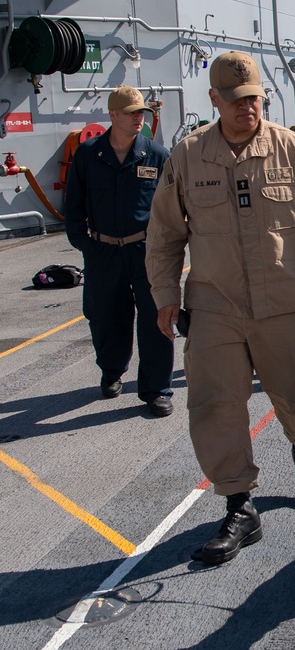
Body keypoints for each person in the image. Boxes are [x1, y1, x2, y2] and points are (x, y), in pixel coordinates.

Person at [145, 52, 295, 565]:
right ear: (215, 100)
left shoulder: (294, 151)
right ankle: (240, 504)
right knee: (214, 405)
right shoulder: (187, 158)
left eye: (256, 98)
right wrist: (166, 295)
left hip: (286, 305)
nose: (249, 108)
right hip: (215, 306)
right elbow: (166, 234)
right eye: (237, 100)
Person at [63, 85, 174, 415]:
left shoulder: (157, 155)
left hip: (146, 250)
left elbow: (171, 207)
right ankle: (111, 372)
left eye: (142, 112)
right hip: (103, 251)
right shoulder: (88, 154)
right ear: (113, 115)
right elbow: (73, 205)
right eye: (131, 113)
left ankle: (156, 389)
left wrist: (167, 248)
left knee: (157, 318)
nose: (139, 118)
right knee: (106, 316)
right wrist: (85, 245)